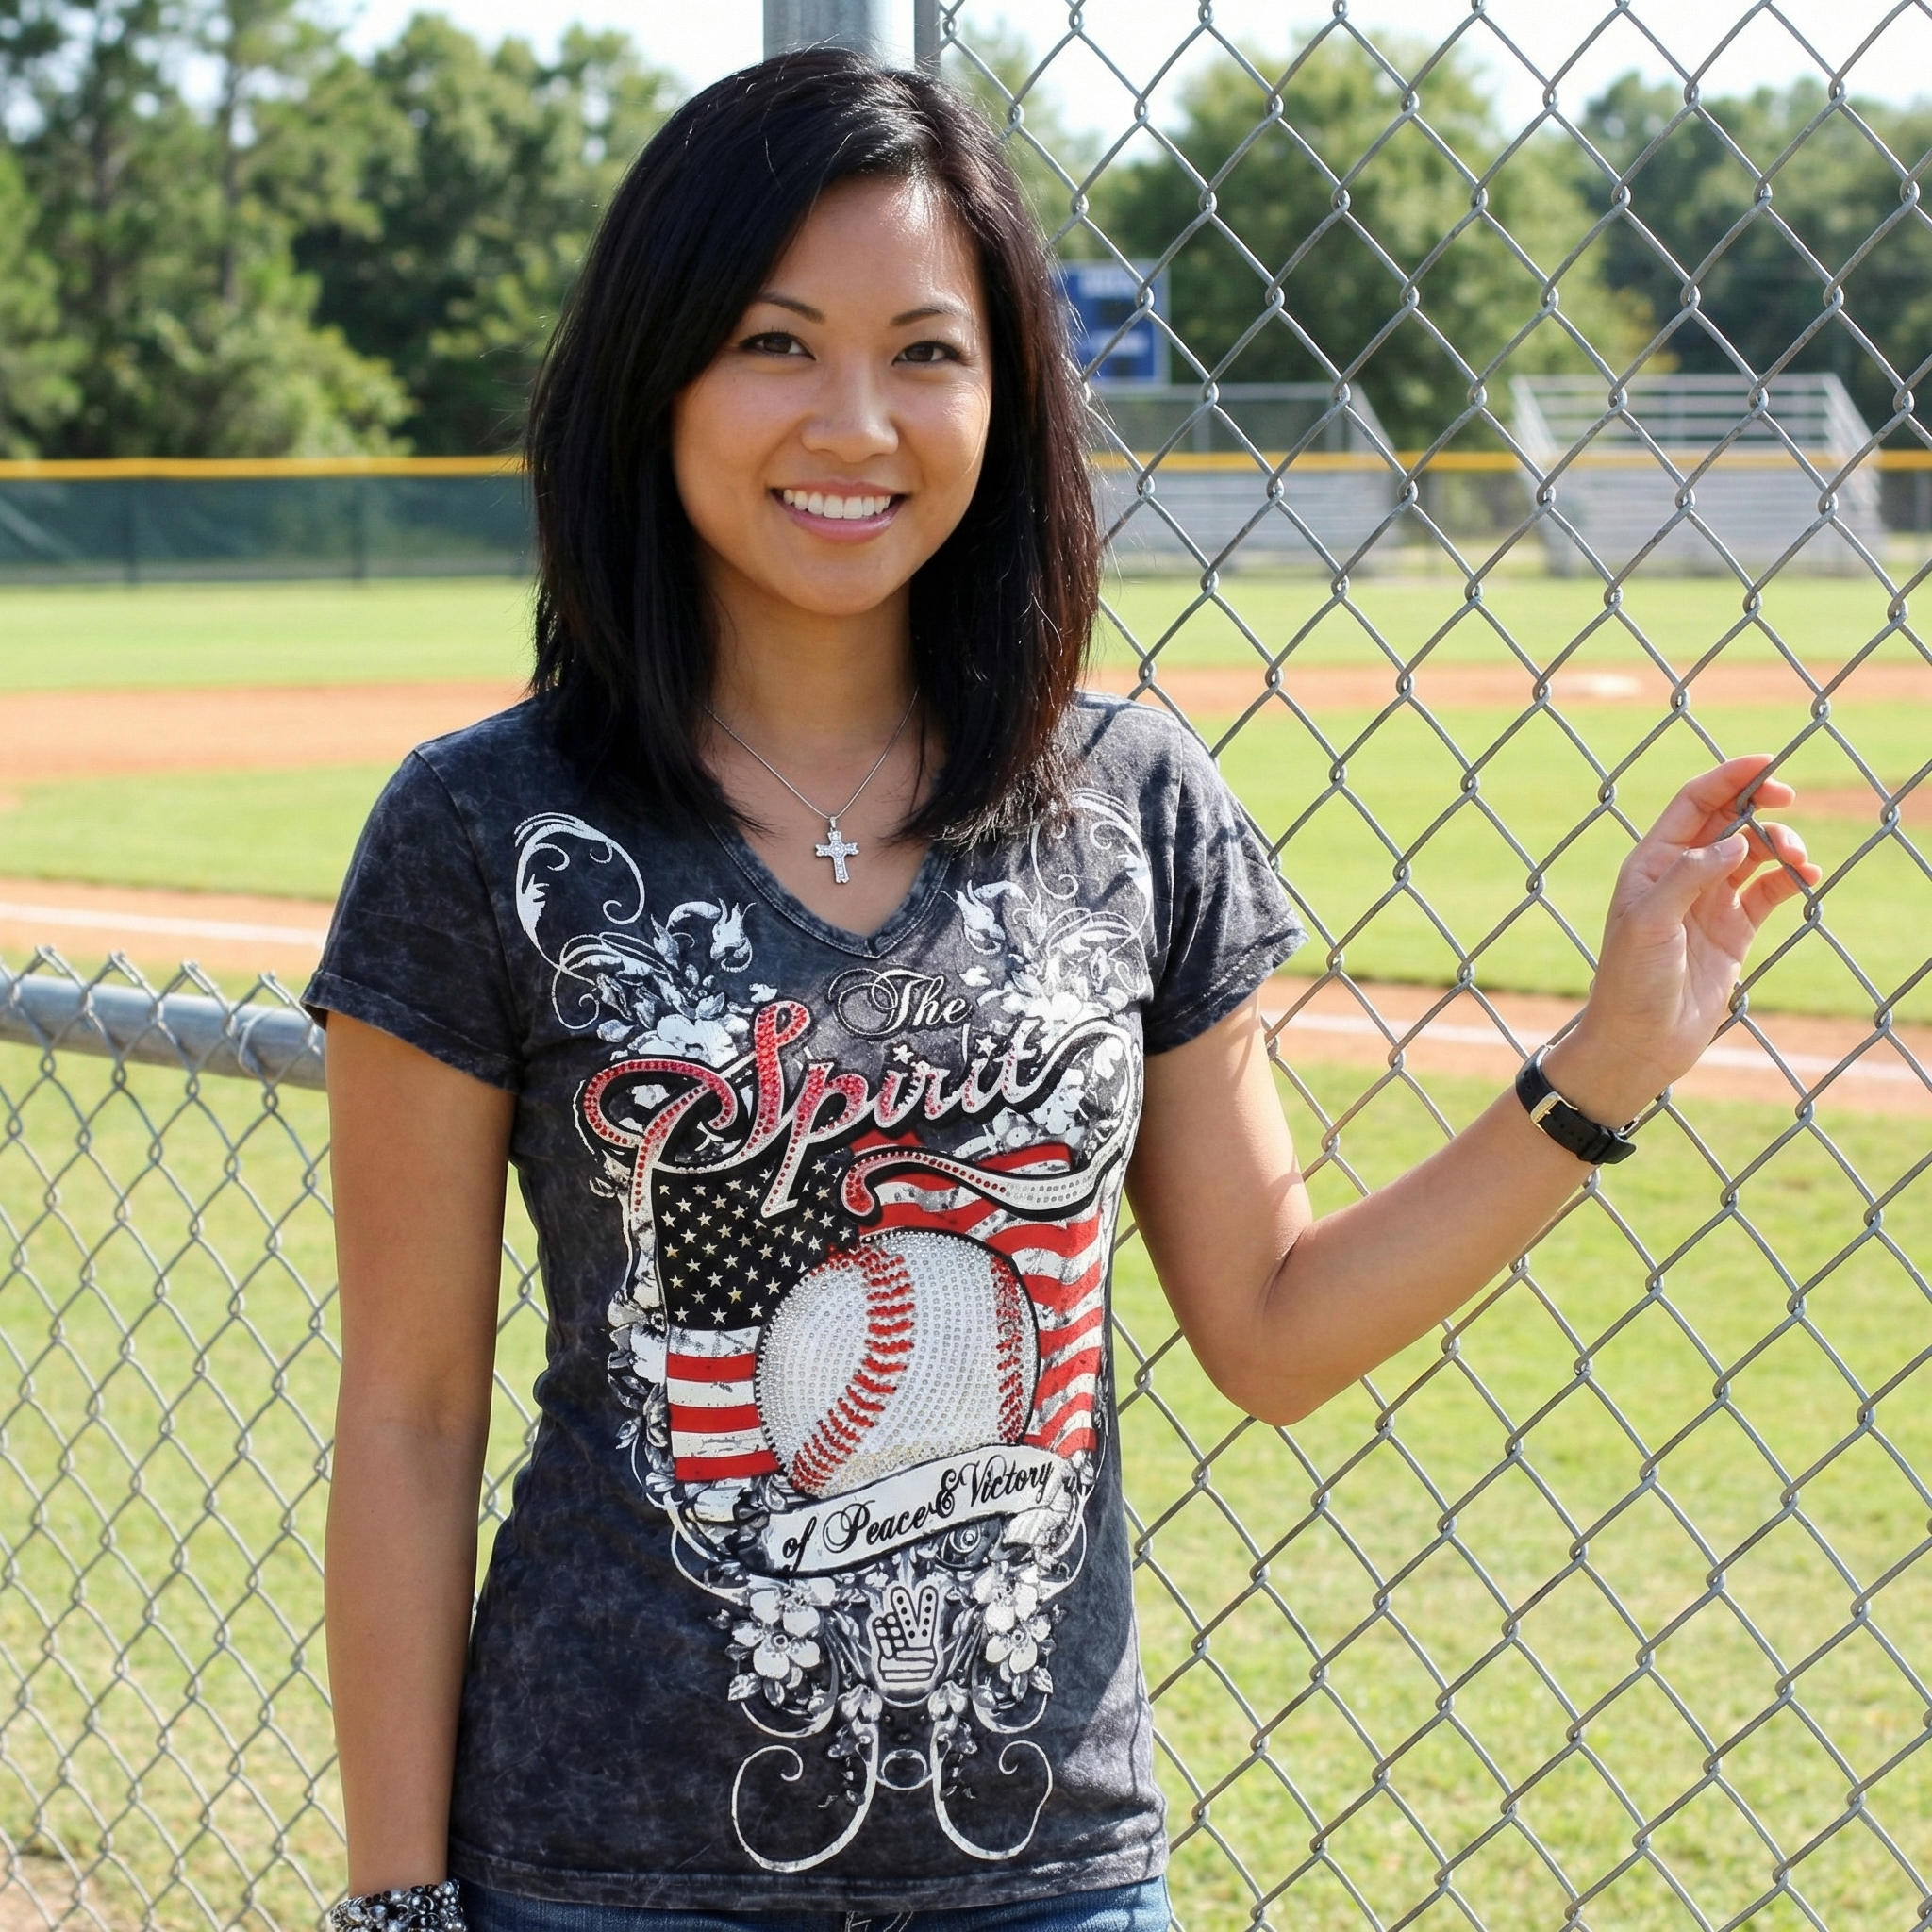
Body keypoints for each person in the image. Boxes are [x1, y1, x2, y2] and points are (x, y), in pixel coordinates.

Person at [308, 49, 1819, 1932]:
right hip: (605, 1872)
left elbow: (1269, 1329)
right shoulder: (487, 828)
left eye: (926, 352)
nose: (854, 418)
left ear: (1007, 395)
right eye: (776, 341)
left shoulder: (1129, 804)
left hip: (1050, 1871)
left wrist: (1604, 1062)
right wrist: (395, 1901)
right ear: (658, 373)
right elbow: (411, 1412)